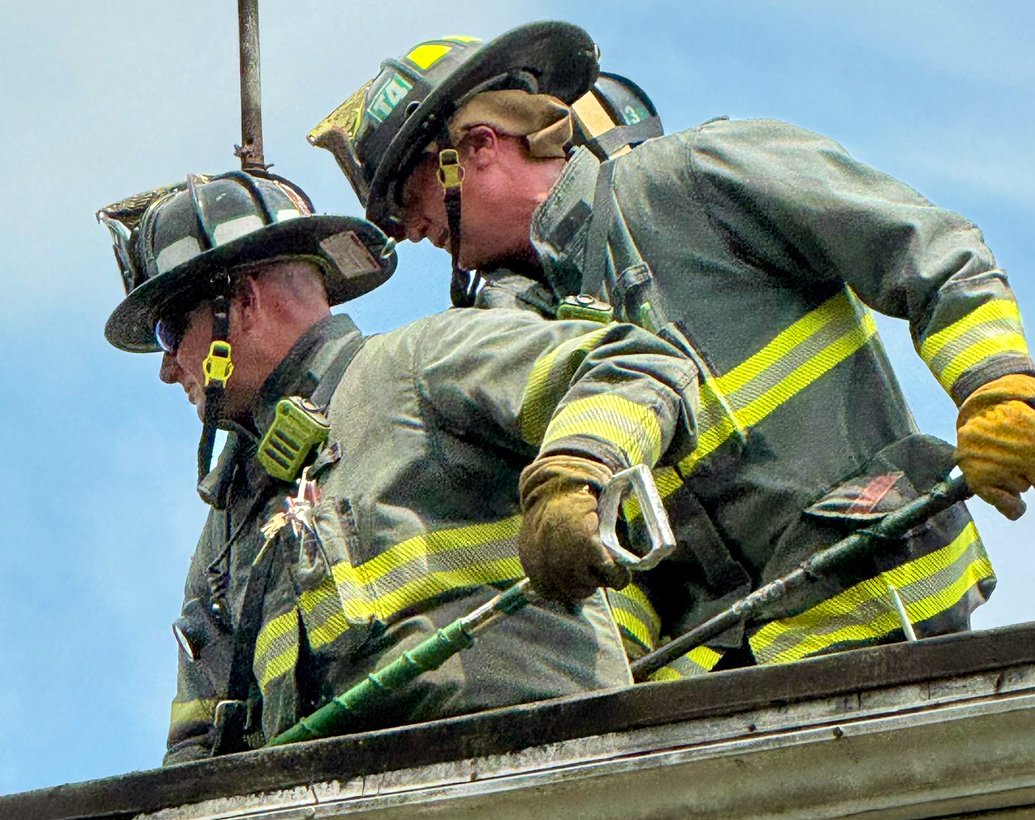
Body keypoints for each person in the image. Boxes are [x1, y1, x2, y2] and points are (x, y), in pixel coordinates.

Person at [310, 22, 1035, 679]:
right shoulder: (515, 332)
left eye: (407, 198)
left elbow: (928, 249)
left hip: (882, 610)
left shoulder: (697, 177)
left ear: (476, 148)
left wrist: (996, 390)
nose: (410, 231)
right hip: (722, 689)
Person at [97, 170, 698, 762]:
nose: (169, 365)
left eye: (171, 329)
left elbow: (637, 365)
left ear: (242, 300)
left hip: (537, 775)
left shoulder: (416, 366)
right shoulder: (226, 534)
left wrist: (573, 475)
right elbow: (194, 752)